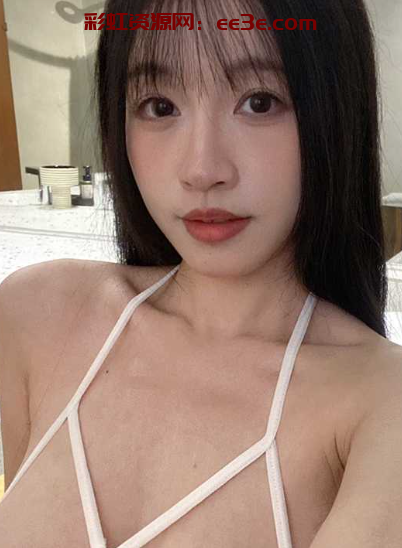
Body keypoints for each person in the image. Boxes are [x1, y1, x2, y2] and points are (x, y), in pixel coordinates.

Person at [1, 1, 402, 547]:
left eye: (260, 102)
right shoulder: (36, 314)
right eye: (160, 106)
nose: (202, 170)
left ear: (334, 109)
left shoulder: (379, 407)